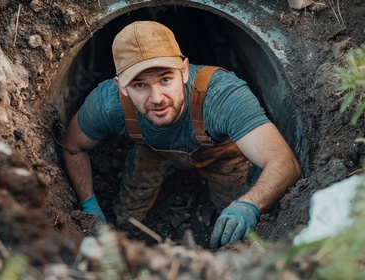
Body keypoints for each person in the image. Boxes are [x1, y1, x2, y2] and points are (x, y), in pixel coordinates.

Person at [62, 21, 301, 248]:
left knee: (230, 217)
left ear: (184, 71)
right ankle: (128, 236)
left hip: (220, 155)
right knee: (128, 213)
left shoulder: (222, 97)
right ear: (121, 86)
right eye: (139, 85)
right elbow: (72, 146)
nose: (156, 98)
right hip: (152, 151)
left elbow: (284, 162)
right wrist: (89, 205)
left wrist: (249, 205)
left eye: (165, 79)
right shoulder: (108, 104)